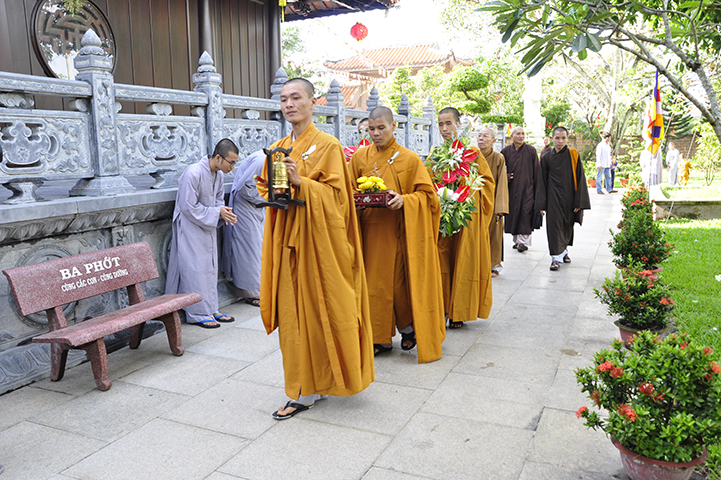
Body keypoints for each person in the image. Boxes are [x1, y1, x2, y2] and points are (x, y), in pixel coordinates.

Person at [258, 78, 374, 420]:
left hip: (319, 245)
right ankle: (305, 387)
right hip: (288, 243)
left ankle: (311, 388)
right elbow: (267, 186)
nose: (289, 104)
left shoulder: (328, 146)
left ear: (312, 103)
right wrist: (276, 188)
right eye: (284, 99)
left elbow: (339, 200)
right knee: (293, 316)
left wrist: (302, 183)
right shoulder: (279, 147)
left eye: (296, 97)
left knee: (322, 311)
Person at [350, 106, 445, 362]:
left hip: (400, 233)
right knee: (373, 286)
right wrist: (356, 202)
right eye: (371, 129)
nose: (376, 133)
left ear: (393, 126)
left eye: (381, 128)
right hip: (370, 233)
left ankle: (408, 328)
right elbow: (346, 191)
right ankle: (378, 338)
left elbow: (428, 197)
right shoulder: (359, 157)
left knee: (400, 286)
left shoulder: (409, 159)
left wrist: (405, 201)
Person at [166, 139, 238, 328]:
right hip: (190, 227)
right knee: (195, 269)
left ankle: (212, 308)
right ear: (218, 157)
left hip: (207, 226)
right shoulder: (193, 173)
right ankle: (197, 313)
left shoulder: (218, 175)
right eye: (231, 162)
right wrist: (216, 212)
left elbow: (218, 200)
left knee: (209, 268)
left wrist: (223, 212)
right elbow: (187, 206)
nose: (232, 167)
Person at [435, 107, 495, 329]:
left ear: (459, 125)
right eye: (441, 124)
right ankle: (442, 307)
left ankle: (459, 311)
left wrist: (465, 195)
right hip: (442, 217)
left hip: (465, 216)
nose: (444, 128)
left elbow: (486, 184)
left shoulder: (472, 152)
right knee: (442, 259)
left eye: (448, 123)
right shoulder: (436, 154)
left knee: (463, 259)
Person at [536, 127, 591, 271]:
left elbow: (580, 178)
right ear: (552, 139)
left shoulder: (573, 155)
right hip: (552, 198)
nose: (560, 141)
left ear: (567, 139)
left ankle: (564, 251)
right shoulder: (546, 158)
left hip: (569, 197)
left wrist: (579, 202)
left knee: (567, 226)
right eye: (557, 138)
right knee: (554, 227)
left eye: (563, 138)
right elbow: (541, 181)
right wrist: (542, 203)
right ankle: (555, 258)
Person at [221, 149, 266, 307]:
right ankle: (251, 293)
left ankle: (262, 289)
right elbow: (244, 187)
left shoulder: (274, 162)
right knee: (250, 249)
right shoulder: (262, 160)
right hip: (245, 206)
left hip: (259, 206)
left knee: (260, 248)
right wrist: (266, 198)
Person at [501, 126, 538, 253]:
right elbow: (499, 170)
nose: (521, 136)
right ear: (511, 136)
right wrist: (506, 177)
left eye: (523, 133)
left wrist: (538, 192)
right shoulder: (505, 151)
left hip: (528, 189)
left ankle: (523, 242)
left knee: (526, 214)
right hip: (512, 190)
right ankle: (517, 241)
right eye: (518, 134)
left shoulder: (531, 151)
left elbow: (537, 171)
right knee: (514, 214)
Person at [477, 127, 509, 277]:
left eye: (485, 136)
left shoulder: (498, 158)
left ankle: (493, 265)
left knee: (493, 235)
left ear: (493, 141)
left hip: (492, 202)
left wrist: (500, 206)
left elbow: (502, 181)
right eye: (479, 136)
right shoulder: (472, 157)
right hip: (475, 201)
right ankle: (478, 264)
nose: (481, 138)